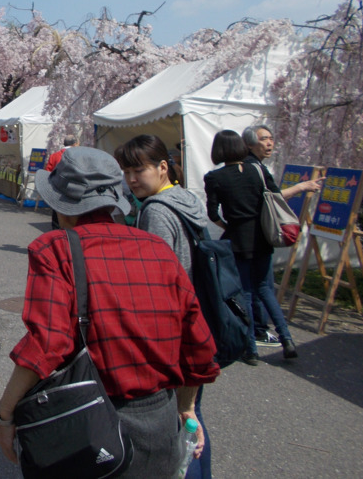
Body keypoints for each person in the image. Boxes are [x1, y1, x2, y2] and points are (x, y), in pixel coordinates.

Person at [0, 147, 219, 478]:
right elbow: (199, 346)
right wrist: (187, 408)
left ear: (61, 202)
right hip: (160, 423)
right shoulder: (157, 249)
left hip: (89, 422)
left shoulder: (55, 248)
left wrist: (5, 414)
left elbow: (47, 344)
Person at [115, 134, 214, 479]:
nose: (130, 179)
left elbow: (153, 281)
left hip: (173, 327)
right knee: (192, 414)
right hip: (198, 319)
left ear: (162, 167)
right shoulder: (186, 198)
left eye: (138, 170)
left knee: (180, 420)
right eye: (125, 171)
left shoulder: (156, 211)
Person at [204, 130, 298, 366]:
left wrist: (228, 225)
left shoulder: (215, 178)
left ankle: (251, 349)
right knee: (265, 289)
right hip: (263, 237)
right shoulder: (258, 170)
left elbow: (213, 214)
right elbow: (275, 196)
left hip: (238, 239)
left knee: (244, 292)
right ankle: (286, 339)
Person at [241, 125, 324, 346]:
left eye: (271, 138)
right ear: (250, 144)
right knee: (261, 288)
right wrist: (302, 186)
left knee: (254, 289)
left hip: (246, 238)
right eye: (264, 139)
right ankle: (273, 335)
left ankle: (256, 339)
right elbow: (273, 198)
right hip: (257, 237)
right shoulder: (254, 168)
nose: (269, 143)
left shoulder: (248, 167)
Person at [46, 134, 79, 228]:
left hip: (57, 189)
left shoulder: (54, 156)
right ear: (75, 143)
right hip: (74, 190)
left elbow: (48, 173)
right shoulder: (78, 156)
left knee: (57, 216)